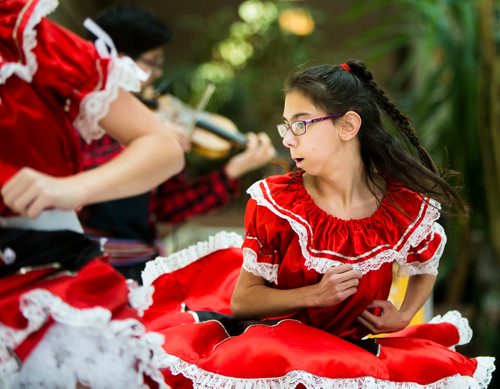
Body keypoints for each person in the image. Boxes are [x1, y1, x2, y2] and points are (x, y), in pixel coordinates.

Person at [139, 59, 496, 387]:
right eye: (286, 126)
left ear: (348, 126)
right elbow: (243, 302)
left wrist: (403, 315)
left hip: (352, 358)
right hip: (275, 353)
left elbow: (424, 265)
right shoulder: (277, 203)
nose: (288, 138)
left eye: (301, 124)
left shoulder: (401, 206)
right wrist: (315, 295)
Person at [0, 0, 185, 387]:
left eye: (156, 66)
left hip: (44, 264)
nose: (151, 77)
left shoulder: (26, 38)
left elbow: (168, 186)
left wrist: (67, 188)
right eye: (149, 63)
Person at [78, 4, 277, 282]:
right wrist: (147, 144)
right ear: (120, 60)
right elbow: (76, 179)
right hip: (87, 264)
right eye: (152, 62)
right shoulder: (79, 118)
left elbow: (169, 206)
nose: (158, 73)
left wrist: (232, 171)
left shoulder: (152, 119)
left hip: (142, 266)